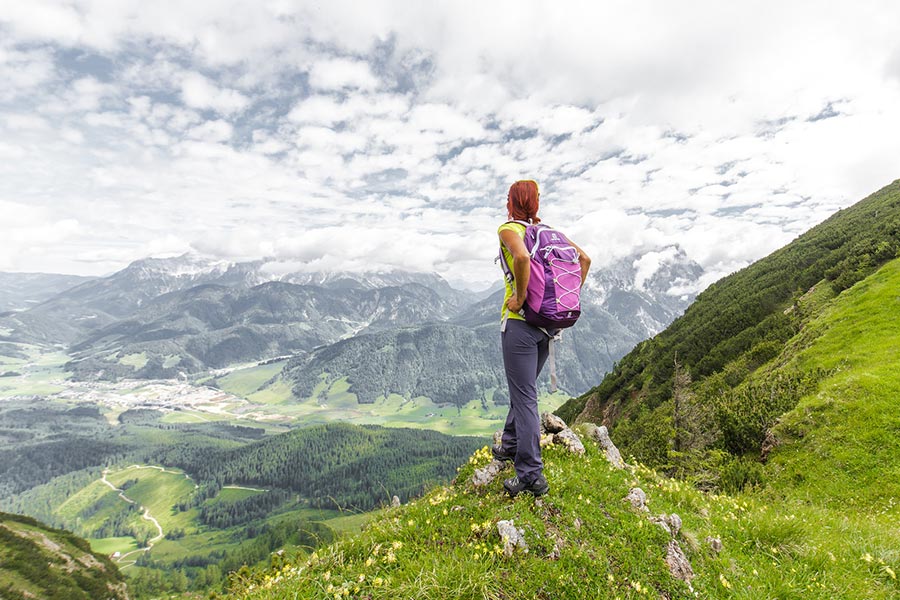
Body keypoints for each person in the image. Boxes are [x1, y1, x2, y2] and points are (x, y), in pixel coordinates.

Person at [493, 180, 591, 497]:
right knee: (523, 390)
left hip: (520, 326)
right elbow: (584, 260)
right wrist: (565, 299)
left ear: (513, 202)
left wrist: (520, 299)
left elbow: (521, 259)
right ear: (535, 203)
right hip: (547, 327)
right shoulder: (552, 233)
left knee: (524, 397)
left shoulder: (509, 230)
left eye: (508, 197)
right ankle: (509, 444)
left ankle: (531, 476)